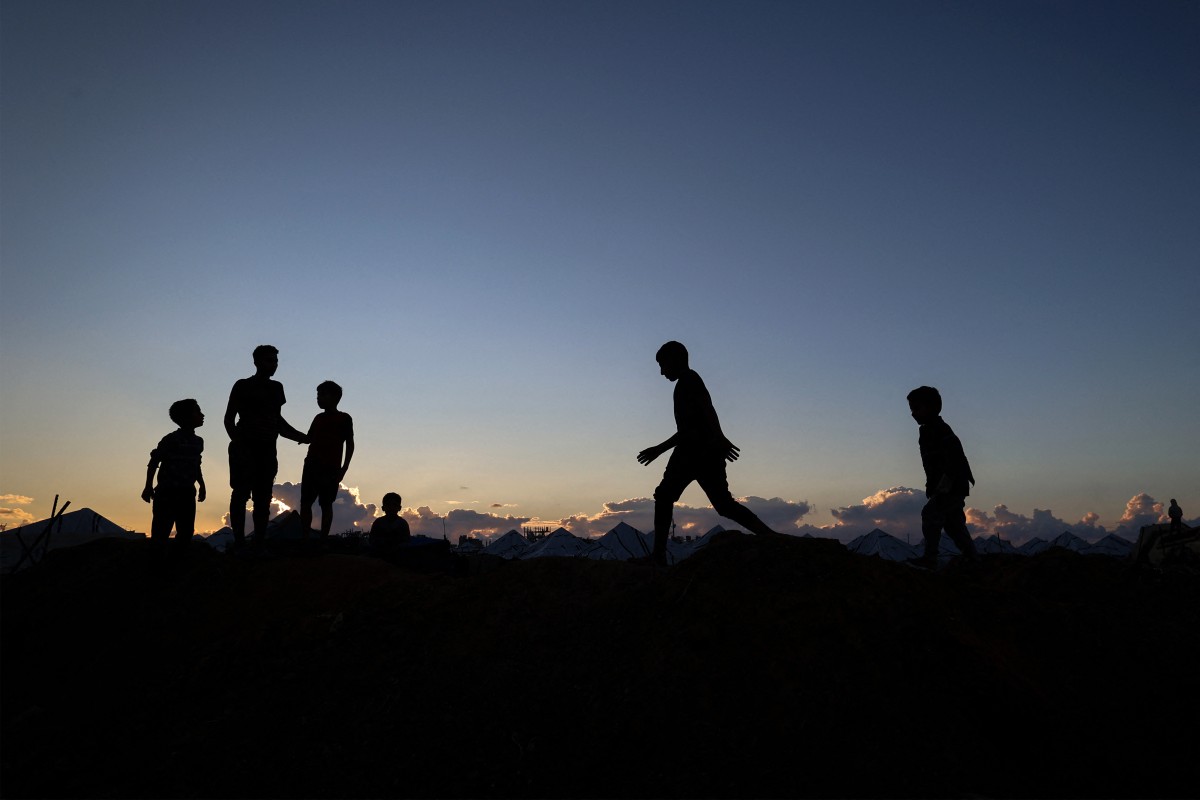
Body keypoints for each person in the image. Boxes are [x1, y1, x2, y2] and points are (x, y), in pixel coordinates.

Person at [637, 341, 780, 567]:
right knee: (724, 505)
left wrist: (658, 450)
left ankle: (658, 557)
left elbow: (690, 427)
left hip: (692, 452)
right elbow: (708, 410)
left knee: (666, 496)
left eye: (663, 365)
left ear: (675, 361)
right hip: (708, 451)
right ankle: (769, 535)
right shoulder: (692, 380)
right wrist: (720, 438)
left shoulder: (687, 383)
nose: (662, 372)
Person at [224, 345, 308, 551]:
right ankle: (240, 542)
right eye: (269, 360)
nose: (274, 365)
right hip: (244, 448)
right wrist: (239, 445)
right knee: (240, 495)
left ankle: (259, 542)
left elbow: (278, 421)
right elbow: (228, 419)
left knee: (263, 499)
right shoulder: (242, 385)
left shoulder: (276, 388)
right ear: (257, 362)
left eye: (276, 361)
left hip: (267, 449)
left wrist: (302, 437)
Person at [906, 386, 978, 568]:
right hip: (948, 485)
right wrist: (932, 484)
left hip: (952, 485)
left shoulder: (941, 431)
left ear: (931, 408)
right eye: (911, 409)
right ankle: (973, 558)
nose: (913, 414)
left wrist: (943, 486)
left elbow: (954, 460)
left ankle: (930, 558)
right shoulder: (928, 431)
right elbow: (932, 464)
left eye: (917, 408)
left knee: (931, 514)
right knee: (954, 525)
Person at [142, 399, 206, 562]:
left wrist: (202, 484)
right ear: (186, 417)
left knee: (186, 532)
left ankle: (175, 564)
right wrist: (148, 486)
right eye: (197, 412)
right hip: (167, 493)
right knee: (161, 532)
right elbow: (154, 461)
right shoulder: (170, 439)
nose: (202, 415)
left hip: (187, 493)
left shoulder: (198, 442)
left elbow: (196, 464)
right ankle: (157, 566)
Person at [299, 381, 355, 543]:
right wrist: (296, 436)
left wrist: (344, 467)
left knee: (326, 504)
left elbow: (350, 444)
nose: (318, 399)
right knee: (305, 503)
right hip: (311, 466)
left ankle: (323, 540)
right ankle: (305, 538)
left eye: (322, 395)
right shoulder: (318, 418)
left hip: (330, 468)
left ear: (335, 397)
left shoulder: (344, 418)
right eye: (318, 395)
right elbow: (309, 437)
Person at [369, 492, 411, 559]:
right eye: (388, 505)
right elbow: (372, 541)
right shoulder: (378, 523)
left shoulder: (402, 524)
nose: (391, 508)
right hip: (379, 556)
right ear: (383, 508)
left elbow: (406, 542)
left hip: (398, 556)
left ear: (399, 508)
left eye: (394, 505)